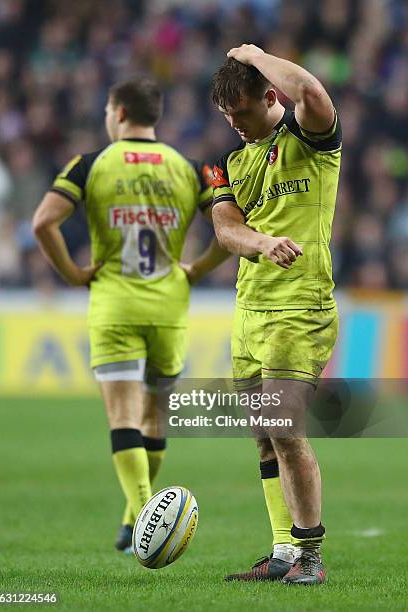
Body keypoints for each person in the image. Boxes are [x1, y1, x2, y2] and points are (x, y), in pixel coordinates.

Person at [33, 77, 229, 553]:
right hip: (169, 305)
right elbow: (230, 228)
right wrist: (198, 269)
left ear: (119, 113)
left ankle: (142, 515)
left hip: (115, 304)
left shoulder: (91, 163)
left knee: (122, 416)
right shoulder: (191, 168)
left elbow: (44, 223)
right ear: (154, 115)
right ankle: (133, 520)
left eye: (106, 110)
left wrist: (74, 274)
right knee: (154, 416)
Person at [211, 44, 341, 585]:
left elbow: (310, 90)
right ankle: (284, 553)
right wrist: (261, 243)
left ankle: (312, 558)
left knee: (284, 428)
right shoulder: (230, 162)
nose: (236, 125)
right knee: (264, 435)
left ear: (269, 94)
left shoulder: (311, 138)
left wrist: (259, 54)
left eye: (241, 113)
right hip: (251, 310)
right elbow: (225, 230)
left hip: (301, 307)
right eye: (227, 117)